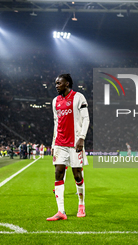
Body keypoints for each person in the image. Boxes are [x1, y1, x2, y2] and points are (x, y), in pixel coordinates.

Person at [47, 73, 90, 221]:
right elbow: (56, 122)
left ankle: (81, 204)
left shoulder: (78, 97)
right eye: (56, 83)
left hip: (74, 143)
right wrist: (53, 143)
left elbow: (86, 119)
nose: (56, 85)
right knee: (58, 172)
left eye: (59, 83)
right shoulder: (55, 101)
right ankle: (61, 211)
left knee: (77, 175)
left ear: (67, 84)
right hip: (60, 143)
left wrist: (82, 138)